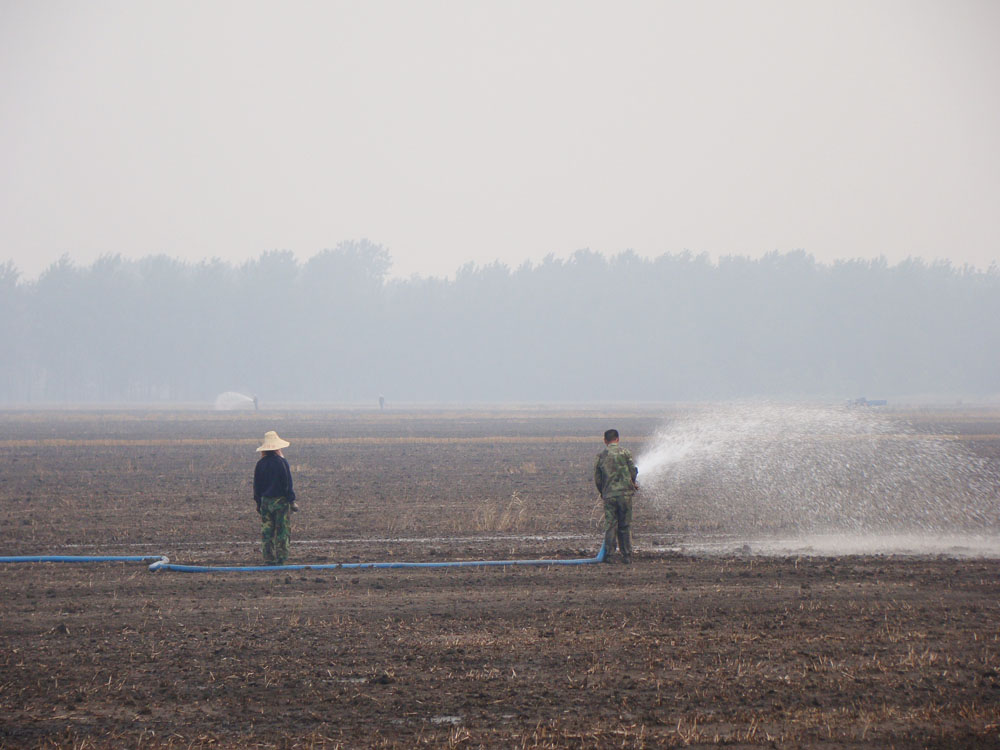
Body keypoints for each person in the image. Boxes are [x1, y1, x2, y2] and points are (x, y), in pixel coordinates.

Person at [594, 428, 639, 564]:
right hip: (625, 495)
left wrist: (603, 492)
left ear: (605, 441)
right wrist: (633, 483)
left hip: (609, 495)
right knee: (624, 525)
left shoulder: (601, 456)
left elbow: (598, 478)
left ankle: (609, 556)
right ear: (618, 439)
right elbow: (633, 471)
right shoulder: (625, 453)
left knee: (610, 525)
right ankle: (626, 556)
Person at [253, 430, 298, 565]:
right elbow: (287, 483)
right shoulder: (282, 462)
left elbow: (256, 486)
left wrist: (258, 503)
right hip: (280, 502)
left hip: (265, 502)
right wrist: (291, 500)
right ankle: (281, 559)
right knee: (282, 531)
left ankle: (268, 558)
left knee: (267, 532)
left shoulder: (260, 464)